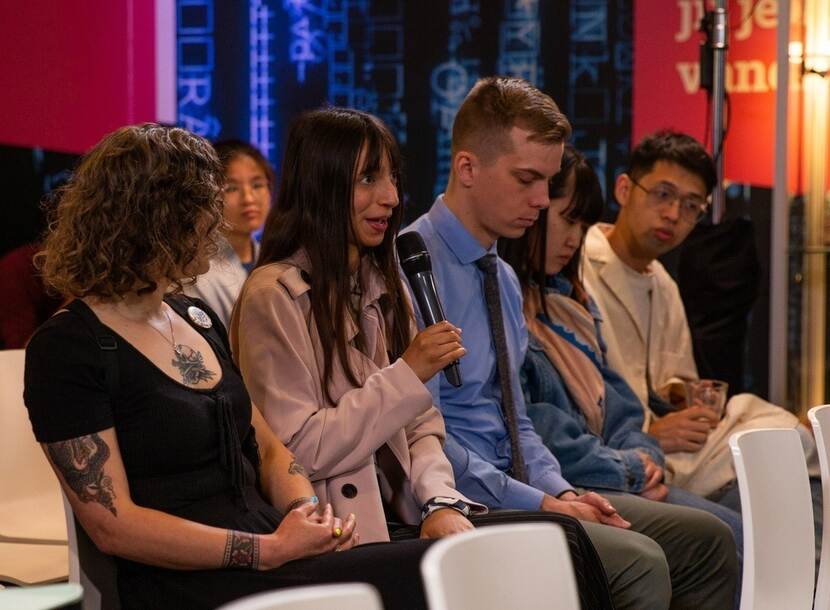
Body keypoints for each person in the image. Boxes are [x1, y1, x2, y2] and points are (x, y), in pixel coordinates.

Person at [23, 123, 436, 610]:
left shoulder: (194, 316)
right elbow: (114, 526)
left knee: (436, 562)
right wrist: (266, 550)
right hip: (185, 581)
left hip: (269, 550)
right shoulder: (68, 347)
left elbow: (269, 449)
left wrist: (305, 512)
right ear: (153, 219)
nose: (215, 226)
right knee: (425, 571)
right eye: (203, 210)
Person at [229, 108, 616, 609]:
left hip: (408, 514)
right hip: (340, 532)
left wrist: (439, 502)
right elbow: (300, 448)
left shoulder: (382, 281)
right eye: (368, 179)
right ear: (322, 183)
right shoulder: (274, 295)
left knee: (565, 542)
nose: (390, 197)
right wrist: (407, 374)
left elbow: (423, 427)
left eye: (392, 178)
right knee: (559, 547)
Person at [403, 76, 738, 610]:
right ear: (467, 168)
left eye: (547, 181)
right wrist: (544, 500)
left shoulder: (501, 277)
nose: (541, 200)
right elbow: (425, 440)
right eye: (527, 179)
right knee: (640, 562)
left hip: (526, 487)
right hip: (463, 500)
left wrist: (560, 490)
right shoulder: (410, 269)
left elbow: (518, 420)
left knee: (710, 540)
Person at [499, 144, 742, 561]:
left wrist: (643, 457)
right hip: (572, 478)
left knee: (768, 490)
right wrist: (630, 467)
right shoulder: (513, 301)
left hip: (619, 462)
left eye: (690, 206)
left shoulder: (573, 301)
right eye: (568, 219)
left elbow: (620, 403)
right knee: (723, 535)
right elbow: (539, 428)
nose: (575, 238)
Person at [580, 130, 820, 507]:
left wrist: (685, 397)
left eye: (691, 206)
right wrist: (651, 431)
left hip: (676, 444)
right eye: (663, 194)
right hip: (623, 452)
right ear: (624, 189)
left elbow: (675, 380)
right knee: (783, 459)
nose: (673, 214)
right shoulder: (579, 269)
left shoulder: (663, 284)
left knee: (790, 437)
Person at [185, 139, 273, 327]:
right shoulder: (196, 273)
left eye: (257, 185)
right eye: (231, 188)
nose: (248, 198)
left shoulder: (273, 258)